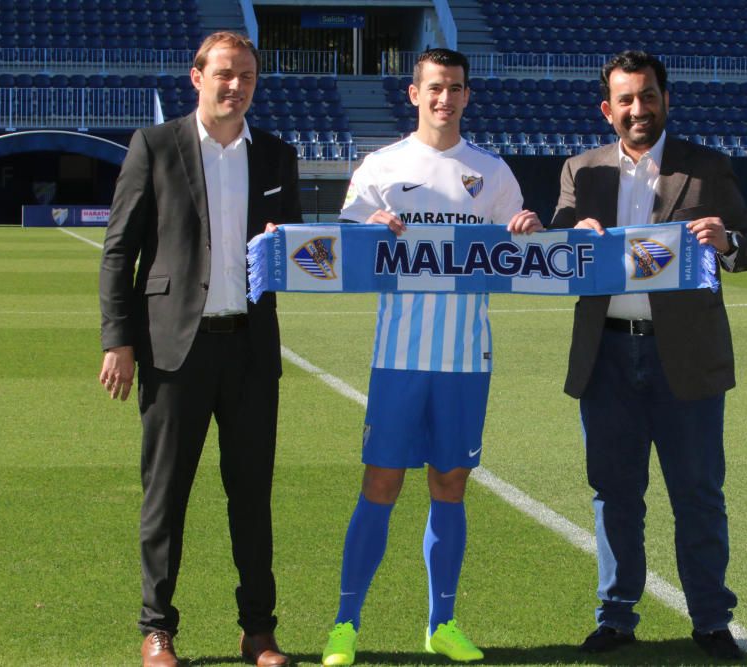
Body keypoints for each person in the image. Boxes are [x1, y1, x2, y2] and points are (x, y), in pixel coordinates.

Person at [319, 48, 541, 666]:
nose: (446, 98)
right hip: (399, 354)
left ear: (468, 96)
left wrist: (523, 227)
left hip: (467, 357)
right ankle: (345, 624)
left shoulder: (491, 172)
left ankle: (442, 623)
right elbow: (343, 249)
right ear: (414, 94)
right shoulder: (381, 166)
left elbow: (514, 257)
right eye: (435, 88)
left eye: (457, 88)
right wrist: (369, 227)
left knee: (450, 484)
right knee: (381, 482)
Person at [548, 50, 747, 660]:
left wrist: (726, 242)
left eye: (647, 96)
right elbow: (559, 250)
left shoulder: (706, 167)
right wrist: (571, 239)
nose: (637, 109)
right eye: (626, 100)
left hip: (686, 360)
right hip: (607, 358)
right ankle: (616, 616)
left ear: (665, 99)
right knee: (614, 493)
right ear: (607, 109)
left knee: (697, 491)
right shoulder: (581, 170)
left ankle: (710, 619)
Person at [98, 31, 301, 667]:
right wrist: (118, 340)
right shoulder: (155, 146)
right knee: (165, 496)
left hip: (249, 351)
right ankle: (157, 628)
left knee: (251, 496)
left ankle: (258, 631)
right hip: (170, 352)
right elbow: (119, 251)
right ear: (197, 77)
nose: (235, 85)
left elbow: (293, 251)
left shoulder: (275, 154)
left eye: (246, 75)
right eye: (223, 74)